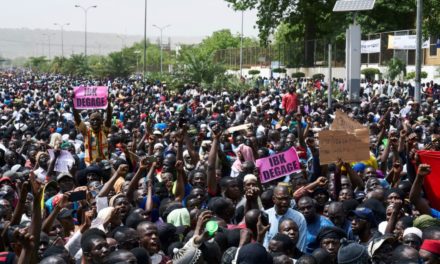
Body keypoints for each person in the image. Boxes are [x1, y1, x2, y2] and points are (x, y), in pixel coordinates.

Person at [263, 186, 307, 252]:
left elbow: (301, 246)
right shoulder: (265, 216)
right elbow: (264, 243)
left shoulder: (299, 218)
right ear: (273, 199)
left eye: (287, 198)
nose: (284, 202)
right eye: (281, 199)